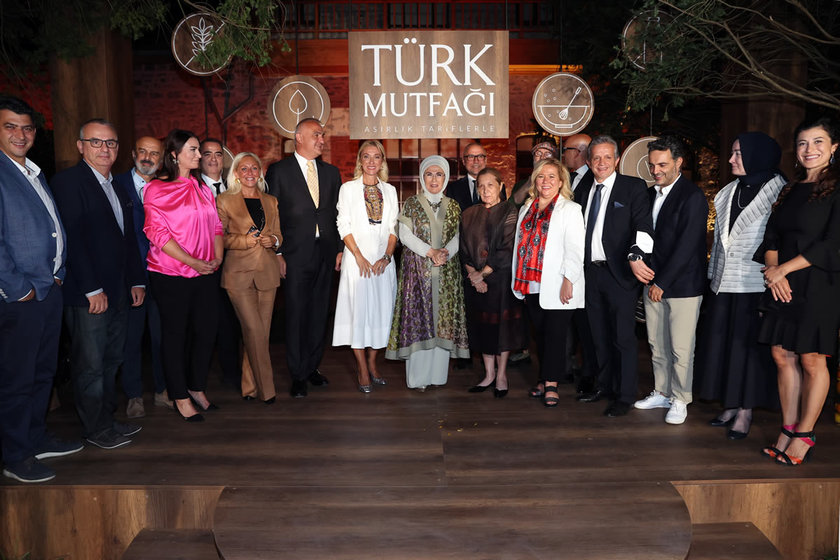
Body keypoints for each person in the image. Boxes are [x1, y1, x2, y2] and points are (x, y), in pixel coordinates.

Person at [51, 118, 146, 449]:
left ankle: (107, 419)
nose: (105, 148)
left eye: (111, 143)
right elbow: (72, 240)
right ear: (81, 146)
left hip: (119, 289)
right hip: (88, 294)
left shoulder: (116, 186)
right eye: (96, 142)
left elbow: (128, 240)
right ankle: (95, 428)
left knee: (111, 359)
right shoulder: (68, 183)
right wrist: (92, 289)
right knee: (90, 365)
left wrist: (137, 280)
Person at [0, 96, 81, 483]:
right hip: (21, 297)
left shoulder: (33, 172)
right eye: (10, 126)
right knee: (17, 378)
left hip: (49, 290)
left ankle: (34, 438)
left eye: (27, 127)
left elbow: (51, 227)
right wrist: (17, 289)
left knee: (42, 372)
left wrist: (59, 272)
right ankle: (15, 454)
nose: (20, 134)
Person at [758, 116, 840, 466]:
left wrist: (783, 270)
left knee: (811, 358)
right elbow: (772, 236)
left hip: (820, 283)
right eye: (803, 143)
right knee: (781, 355)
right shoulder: (790, 188)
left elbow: (833, 244)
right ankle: (788, 427)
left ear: (834, 147)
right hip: (783, 283)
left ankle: (805, 433)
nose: (810, 149)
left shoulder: (837, 189)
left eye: (819, 142)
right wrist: (774, 272)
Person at [696, 132, 785, 439]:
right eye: (733, 152)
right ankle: (731, 403)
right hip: (724, 282)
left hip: (756, 283)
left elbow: (779, 241)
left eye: (738, 153)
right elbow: (721, 242)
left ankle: (746, 410)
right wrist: (712, 276)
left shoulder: (779, 192)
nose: (731, 159)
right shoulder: (728, 191)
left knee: (748, 350)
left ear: (758, 155)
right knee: (724, 346)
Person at [143, 129, 224, 422]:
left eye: (198, 149)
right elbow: (156, 233)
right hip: (171, 274)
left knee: (206, 331)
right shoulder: (156, 188)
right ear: (174, 154)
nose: (199, 155)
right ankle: (179, 396)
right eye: (193, 150)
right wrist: (192, 262)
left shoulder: (202, 188)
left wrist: (218, 258)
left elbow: (216, 226)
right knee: (175, 335)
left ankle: (196, 387)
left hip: (206, 272)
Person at [632, 136, 708, 425]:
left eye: (662, 165)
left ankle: (680, 398)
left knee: (681, 348)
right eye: (652, 165)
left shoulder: (692, 196)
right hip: (652, 281)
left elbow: (687, 245)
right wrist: (638, 261)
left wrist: (661, 283)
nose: (656, 171)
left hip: (682, 285)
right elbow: (643, 236)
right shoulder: (650, 194)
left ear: (679, 163)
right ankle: (662, 392)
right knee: (656, 343)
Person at [575, 136, 654, 417]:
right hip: (590, 274)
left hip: (619, 273)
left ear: (617, 159)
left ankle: (625, 395)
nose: (602, 163)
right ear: (588, 161)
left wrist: (636, 255)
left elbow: (643, 226)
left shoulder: (633, 187)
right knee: (598, 335)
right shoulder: (583, 189)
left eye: (608, 157)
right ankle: (604, 386)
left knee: (623, 337)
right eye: (596, 157)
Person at [266, 118, 342, 398]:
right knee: (296, 314)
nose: (321, 140)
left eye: (322, 135)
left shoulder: (332, 173)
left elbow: (337, 215)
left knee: (320, 313)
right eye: (316, 135)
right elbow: (272, 214)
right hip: (295, 255)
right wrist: (278, 253)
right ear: (298, 137)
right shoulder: (279, 171)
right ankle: (297, 374)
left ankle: (312, 367)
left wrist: (339, 249)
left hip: (326, 253)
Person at [386, 155, 469, 390]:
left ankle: (437, 377)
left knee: (442, 323)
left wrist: (445, 254)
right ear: (422, 177)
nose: (434, 179)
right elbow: (404, 234)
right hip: (417, 273)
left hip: (446, 273)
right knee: (419, 321)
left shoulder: (453, 206)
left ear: (446, 178)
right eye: (429, 174)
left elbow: (458, 236)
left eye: (439, 174)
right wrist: (430, 252)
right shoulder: (412, 203)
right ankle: (418, 379)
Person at [511, 158, 585, 407]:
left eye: (552, 176)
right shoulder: (527, 207)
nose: (546, 181)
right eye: (541, 176)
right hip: (531, 283)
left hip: (558, 281)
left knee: (555, 334)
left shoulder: (570, 209)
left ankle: (552, 383)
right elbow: (520, 244)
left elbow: (575, 248)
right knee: (541, 335)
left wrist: (569, 279)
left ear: (561, 181)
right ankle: (544, 379)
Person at [332, 140, 398, 392]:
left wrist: (387, 256)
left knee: (382, 311)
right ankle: (361, 367)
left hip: (383, 261)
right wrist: (358, 256)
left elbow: (393, 227)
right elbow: (343, 224)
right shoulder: (348, 189)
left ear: (382, 161)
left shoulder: (390, 190)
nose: (371, 161)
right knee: (358, 312)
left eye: (376, 156)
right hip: (356, 260)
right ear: (360, 160)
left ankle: (372, 362)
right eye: (366, 156)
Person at [216, 152, 282, 404]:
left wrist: (273, 240)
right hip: (238, 275)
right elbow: (218, 237)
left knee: (259, 334)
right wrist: (244, 241)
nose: (250, 173)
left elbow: (279, 235)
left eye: (254, 168)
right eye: (244, 169)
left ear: (260, 172)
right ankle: (268, 390)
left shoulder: (271, 201)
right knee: (254, 330)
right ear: (235, 173)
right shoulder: (224, 200)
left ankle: (249, 386)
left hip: (267, 273)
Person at [114, 136, 171, 418]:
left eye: (154, 153)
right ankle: (134, 395)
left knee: (163, 338)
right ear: (133, 153)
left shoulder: (168, 188)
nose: (147, 157)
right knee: (131, 340)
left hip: (163, 275)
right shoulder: (115, 185)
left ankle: (163, 390)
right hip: (129, 277)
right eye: (143, 151)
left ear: (161, 160)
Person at [461, 167, 527, 398]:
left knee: (502, 330)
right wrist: (473, 275)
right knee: (483, 329)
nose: (485, 190)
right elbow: (464, 249)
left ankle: (501, 376)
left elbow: (507, 249)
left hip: (501, 281)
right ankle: (488, 374)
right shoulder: (469, 213)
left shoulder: (510, 210)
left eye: (490, 185)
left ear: (500, 186)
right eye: (481, 186)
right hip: (476, 283)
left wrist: (483, 274)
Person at [199, 138, 241, 391]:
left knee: (231, 320)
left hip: (233, 264)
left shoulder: (234, 188)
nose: (213, 159)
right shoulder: (192, 188)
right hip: (204, 265)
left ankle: (231, 373)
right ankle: (198, 378)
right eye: (208, 154)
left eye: (218, 154)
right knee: (205, 322)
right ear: (200, 158)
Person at [446, 142, 507, 212]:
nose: (476, 161)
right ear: (463, 161)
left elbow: (503, 212)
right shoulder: (453, 188)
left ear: (485, 160)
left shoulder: (497, 186)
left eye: (480, 156)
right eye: (471, 156)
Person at [510, 137, 558, 207]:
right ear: (533, 158)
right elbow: (511, 205)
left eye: (547, 154)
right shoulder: (521, 184)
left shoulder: (560, 181)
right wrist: (527, 186)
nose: (542, 157)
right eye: (538, 153)